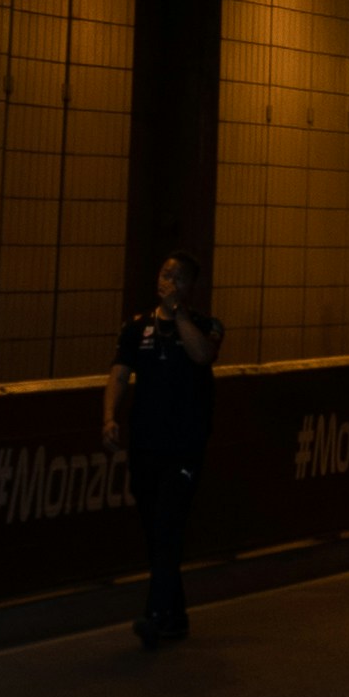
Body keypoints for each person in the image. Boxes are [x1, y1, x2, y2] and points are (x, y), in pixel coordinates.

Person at [102, 253, 225, 652]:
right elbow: (120, 373)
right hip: (145, 443)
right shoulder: (137, 328)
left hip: (185, 444)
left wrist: (180, 316)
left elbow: (202, 355)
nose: (166, 281)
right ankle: (176, 615)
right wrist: (110, 417)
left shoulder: (206, 326)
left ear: (190, 287)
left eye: (176, 277)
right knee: (155, 528)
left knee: (169, 524)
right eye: (163, 273)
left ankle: (155, 615)